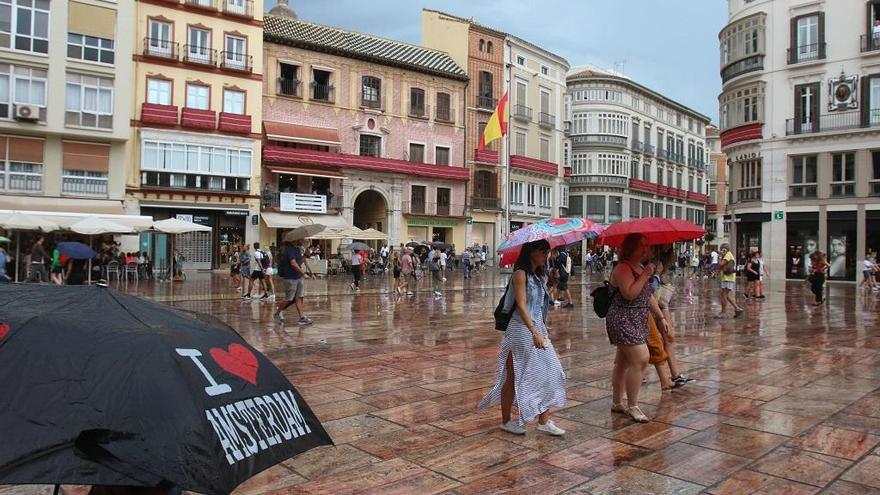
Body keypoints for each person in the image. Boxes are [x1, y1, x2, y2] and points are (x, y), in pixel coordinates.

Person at [478, 239, 566, 436]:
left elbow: (540, 306)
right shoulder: (520, 274)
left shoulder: (538, 276)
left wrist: (551, 280)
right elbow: (522, 305)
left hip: (536, 328)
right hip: (520, 328)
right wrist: (534, 330)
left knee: (550, 370)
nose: (546, 255)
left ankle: (543, 420)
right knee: (515, 374)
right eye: (542, 251)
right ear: (531, 252)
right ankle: (507, 421)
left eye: (547, 251)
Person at [605, 233, 670, 423]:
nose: (645, 249)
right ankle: (632, 406)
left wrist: (660, 317)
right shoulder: (622, 268)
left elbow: (648, 296)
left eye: (646, 245)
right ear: (630, 247)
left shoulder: (639, 267)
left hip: (637, 319)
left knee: (623, 362)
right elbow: (630, 293)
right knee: (641, 358)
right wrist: (645, 275)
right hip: (623, 319)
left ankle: (617, 402)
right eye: (641, 245)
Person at [273, 239, 314, 325]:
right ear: (294, 239)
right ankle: (277, 314)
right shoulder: (289, 249)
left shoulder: (297, 249)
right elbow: (293, 263)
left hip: (298, 277)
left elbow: (302, 260)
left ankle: (302, 317)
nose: (302, 240)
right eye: (300, 238)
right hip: (291, 278)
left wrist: (307, 252)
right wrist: (303, 273)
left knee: (299, 297)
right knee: (289, 299)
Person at [717, 243, 744, 318]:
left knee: (724, 294)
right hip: (726, 277)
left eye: (721, 249)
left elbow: (721, 264)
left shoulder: (728, 255)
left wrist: (719, 257)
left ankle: (723, 312)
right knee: (725, 294)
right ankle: (737, 308)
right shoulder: (727, 255)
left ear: (724, 249)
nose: (720, 250)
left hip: (728, 277)